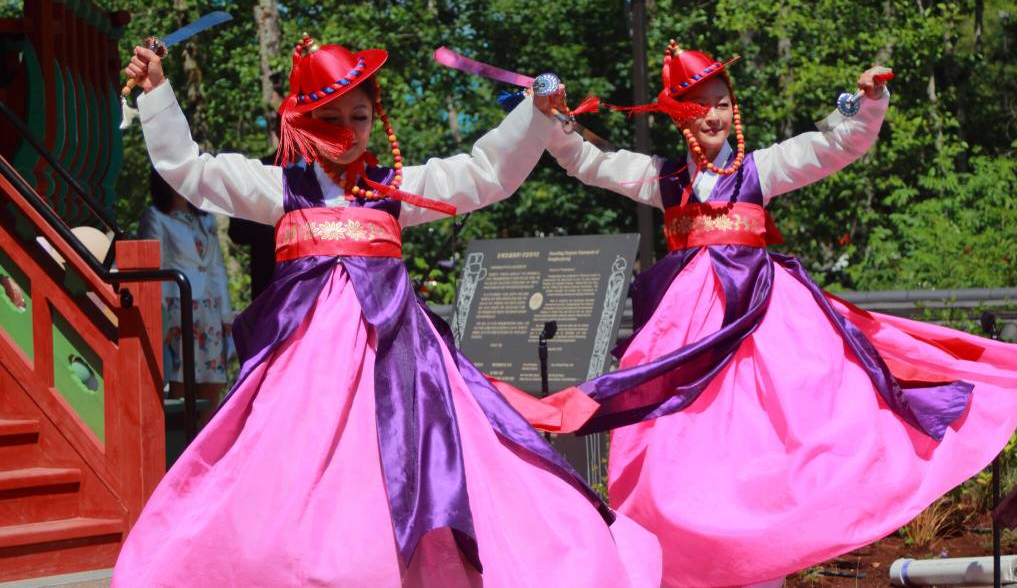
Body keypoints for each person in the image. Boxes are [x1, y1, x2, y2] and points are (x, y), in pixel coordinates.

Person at [112, 35, 661, 587]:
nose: (348, 132)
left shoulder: (393, 189)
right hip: (306, 377)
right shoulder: (280, 189)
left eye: (361, 115)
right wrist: (158, 93)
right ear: (301, 119)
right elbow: (189, 169)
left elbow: (484, 174)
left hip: (399, 367)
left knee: (418, 469)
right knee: (293, 486)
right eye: (330, 117)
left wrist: (535, 115)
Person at [540, 40, 1017, 587]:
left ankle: (769, 561)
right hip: (688, 337)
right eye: (699, 105)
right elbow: (587, 160)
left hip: (765, 326)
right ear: (680, 116)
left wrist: (869, 102)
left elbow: (833, 146)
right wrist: (552, 117)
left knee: (785, 434)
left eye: (721, 103)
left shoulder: (759, 170)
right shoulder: (663, 179)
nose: (713, 115)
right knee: (685, 457)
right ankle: (709, 562)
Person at [140, 169, 233, 426]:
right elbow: (153, 268)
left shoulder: (206, 220)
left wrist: (226, 317)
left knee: (213, 379)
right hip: (177, 307)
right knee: (181, 380)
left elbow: (216, 268)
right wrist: (159, 318)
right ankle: (179, 444)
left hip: (209, 308)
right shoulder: (156, 216)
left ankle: (205, 445)